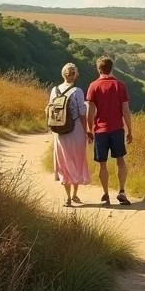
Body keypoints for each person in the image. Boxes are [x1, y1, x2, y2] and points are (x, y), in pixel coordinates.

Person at [85, 56, 133, 206]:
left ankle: (106, 194)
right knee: (120, 160)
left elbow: (90, 111)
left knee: (102, 164)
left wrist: (89, 129)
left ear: (98, 69)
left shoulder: (93, 86)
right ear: (112, 68)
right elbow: (126, 110)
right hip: (117, 128)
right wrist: (130, 130)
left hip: (100, 130)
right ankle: (122, 191)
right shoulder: (120, 85)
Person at [50, 63, 90, 206]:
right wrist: (87, 131)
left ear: (63, 74)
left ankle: (67, 196)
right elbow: (82, 113)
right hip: (76, 130)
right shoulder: (77, 91)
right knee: (77, 160)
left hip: (59, 131)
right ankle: (74, 195)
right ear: (75, 75)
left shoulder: (54, 90)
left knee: (64, 162)